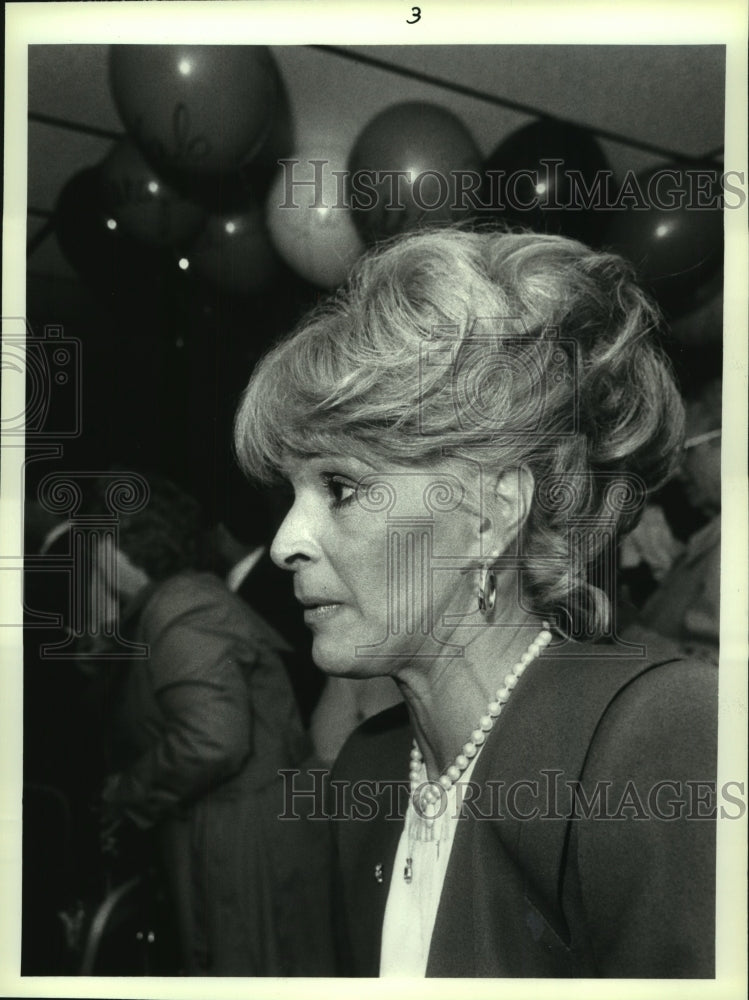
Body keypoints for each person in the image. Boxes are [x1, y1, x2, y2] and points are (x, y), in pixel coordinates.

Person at [234, 227, 718, 978]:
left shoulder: (658, 738)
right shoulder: (367, 769)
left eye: (340, 486)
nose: (286, 541)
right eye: (290, 494)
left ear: (490, 515)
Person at [92, 474, 335, 976]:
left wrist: (127, 793)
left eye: (96, 541)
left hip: (243, 849)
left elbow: (212, 739)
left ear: (121, 545)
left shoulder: (183, 607)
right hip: (238, 839)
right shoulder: (177, 603)